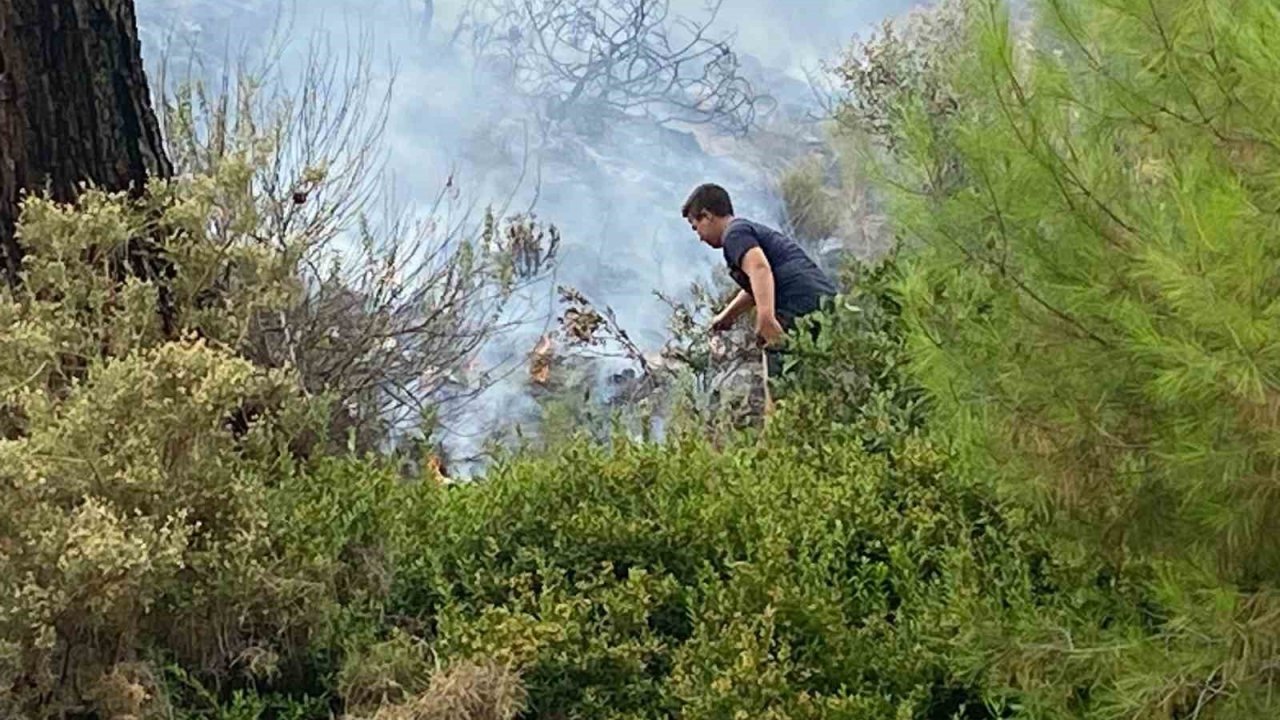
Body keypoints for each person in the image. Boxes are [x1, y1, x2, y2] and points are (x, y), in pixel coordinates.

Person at [681, 182, 838, 380]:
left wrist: (766, 318)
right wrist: (727, 316)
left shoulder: (734, 234)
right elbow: (756, 286)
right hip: (822, 301)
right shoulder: (745, 231)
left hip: (798, 304)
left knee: (780, 377)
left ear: (707, 215)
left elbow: (760, 270)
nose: (700, 238)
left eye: (696, 228)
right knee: (820, 372)